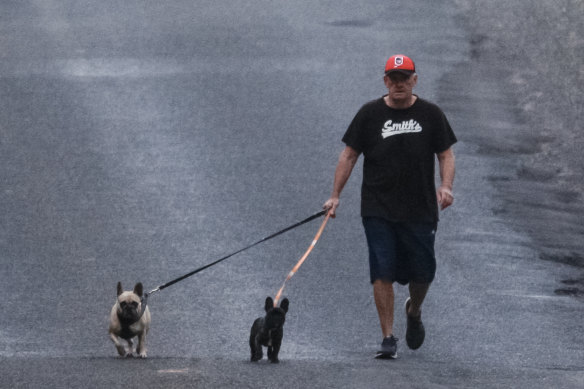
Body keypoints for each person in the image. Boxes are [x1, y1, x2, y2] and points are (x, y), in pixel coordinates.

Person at [323, 54, 456, 359]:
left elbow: (446, 154)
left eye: (405, 78)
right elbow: (349, 155)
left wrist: (446, 186)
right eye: (393, 79)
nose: (399, 84)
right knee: (381, 268)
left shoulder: (431, 114)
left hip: (420, 208)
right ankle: (387, 337)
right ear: (385, 81)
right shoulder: (369, 114)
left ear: (415, 81)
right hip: (377, 207)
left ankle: (415, 309)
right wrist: (335, 195)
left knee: (423, 273)